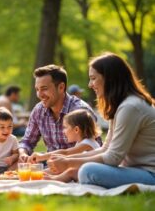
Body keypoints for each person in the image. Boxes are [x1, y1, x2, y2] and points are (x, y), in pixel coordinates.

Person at [47, 52, 155, 188]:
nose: (89, 84)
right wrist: (67, 160)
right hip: (136, 170)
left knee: (88, 171)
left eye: (93, 78)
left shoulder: (131, 107)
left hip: (150, 174)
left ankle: (76, 174)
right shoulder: (121, 105)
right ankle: (73, 173)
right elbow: (106, 148)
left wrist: (68, 163)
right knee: (84, 169)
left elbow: (113, 158)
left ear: (110, 78)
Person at [19, 65, 100, 163]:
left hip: (77, 166)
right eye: (37, 89)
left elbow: (95, 150)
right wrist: (22, 153)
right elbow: (27, 141)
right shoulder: (38, 110)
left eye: (44, 88)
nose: (39, 94)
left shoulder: (80, 111)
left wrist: (44, 157)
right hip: (51, 164)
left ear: (61, 87)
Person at [28, 109, 100, 182]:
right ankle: (35, 174)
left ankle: (48, 178)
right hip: (83, 171)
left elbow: (66, 152)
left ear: (76, 130)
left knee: (69, 171)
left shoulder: (87, 143)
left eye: (65, 127)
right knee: (60, 168)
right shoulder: (82, 142)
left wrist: (42, 157)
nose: (63, 131)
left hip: (92, 174)